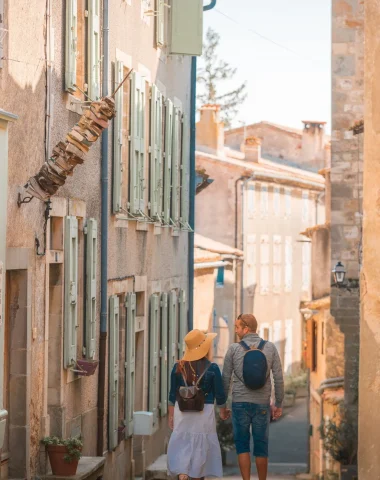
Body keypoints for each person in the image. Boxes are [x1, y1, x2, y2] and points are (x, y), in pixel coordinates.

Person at [222, 314, 284, 480]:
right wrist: (278, 403)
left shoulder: (234, 349)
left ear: (246, 329)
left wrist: (222, 406)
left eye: (237, 327)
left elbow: (225, 378)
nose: (235, 331)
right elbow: (278, 376)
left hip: (240, 403)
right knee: (261, 447)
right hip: (262, 404)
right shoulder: (270, 348)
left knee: (242, 446)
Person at [167, 329, 230, 480]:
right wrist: (222, 410)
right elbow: (220, 394)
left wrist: (171, 415)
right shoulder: (212, 368)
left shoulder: (178, 367)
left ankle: (183, 471)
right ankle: (197, 475)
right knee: (201, 445)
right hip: (204, 410)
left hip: (181, 410)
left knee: (183, 442)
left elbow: (171, 394)